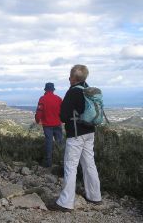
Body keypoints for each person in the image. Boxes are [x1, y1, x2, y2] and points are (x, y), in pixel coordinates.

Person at [48, 65, 101, 212]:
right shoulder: (87, 89)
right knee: (89, 164)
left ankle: (65, 202)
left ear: (72, 78)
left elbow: (64, 116)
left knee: (70, 166)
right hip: (90, 132)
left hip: (76, 135)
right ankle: (95, 196)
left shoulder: (72, 92)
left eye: (70, 76)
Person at [35, 82, 63, 168]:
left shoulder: (42, 99)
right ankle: (61, 161)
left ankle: (48, 163)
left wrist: (37, 120)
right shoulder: (58, 99)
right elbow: (63, 111)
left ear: (45, 90)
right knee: (60, 143)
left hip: (47, 125)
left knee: (49, 143)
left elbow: (39, 112)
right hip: (58, 124)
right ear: (53, 90)